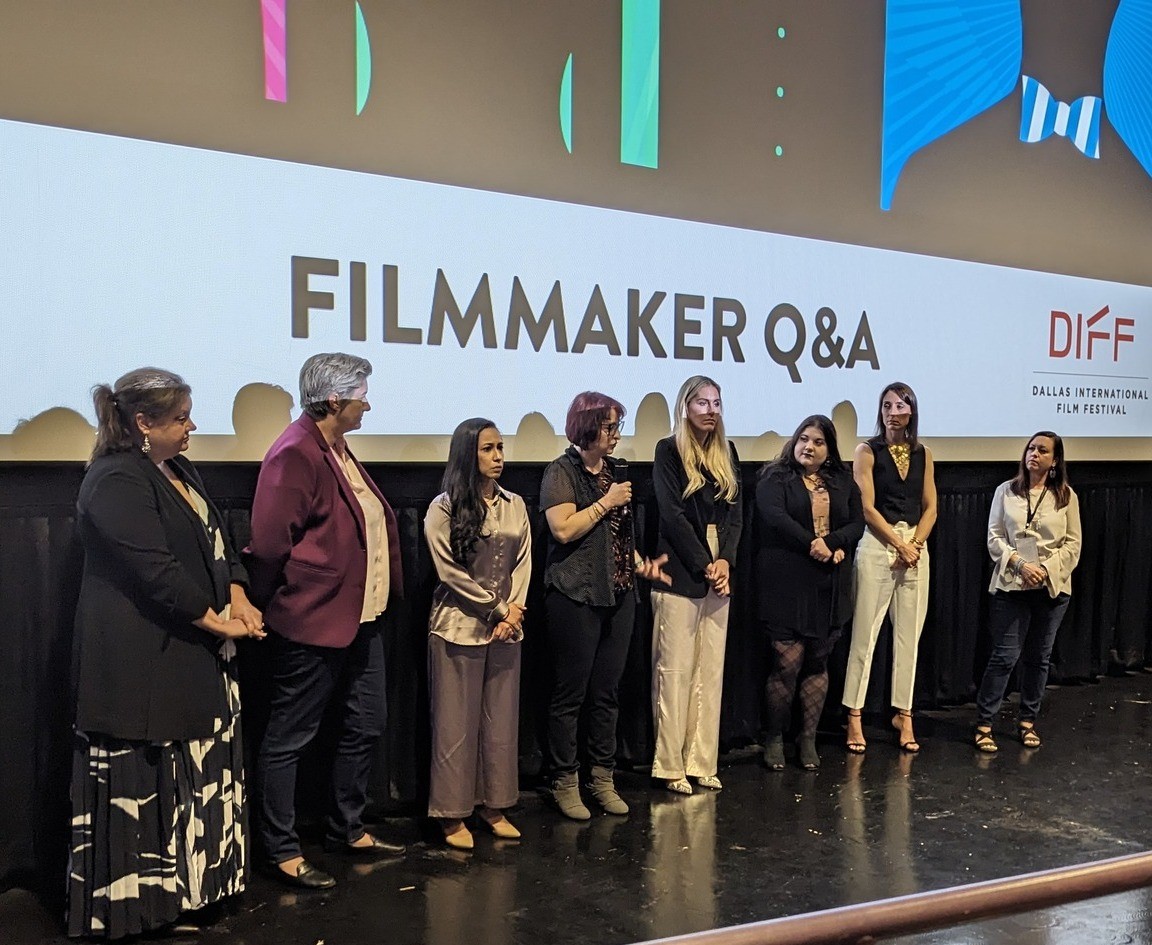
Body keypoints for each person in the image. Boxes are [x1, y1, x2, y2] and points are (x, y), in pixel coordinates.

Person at [69, 368, 264, 939]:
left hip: (194, 657)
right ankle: (146, 909)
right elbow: (156, 572)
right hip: (143, 667)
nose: (192, 426)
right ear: (142, 423)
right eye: (180, 418)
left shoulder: (178, 469)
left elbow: (219, 543)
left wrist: (238, 594)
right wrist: (217, 621)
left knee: (198, 777)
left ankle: (196, 893)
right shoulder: (114, 480)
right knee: (149, 783)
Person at [248, 353, 405, 891]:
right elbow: (270, 544)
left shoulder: (337, 448)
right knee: (289, 737)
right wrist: (277, 602)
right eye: (362, 395)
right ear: (334, 400)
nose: (368, 404)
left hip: (363, 618)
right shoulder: (295, 452)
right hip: (313, 620)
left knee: (367, 722)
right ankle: (281, 850)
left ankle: (347, 828)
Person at [540, 392, 670, 820]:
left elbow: (617, 536)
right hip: (575, 595)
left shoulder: (616, 472)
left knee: (607, 693)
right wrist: (605, 502)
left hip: (619, 593)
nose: (616, 435)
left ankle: (602, 778)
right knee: (570, 695)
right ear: (587, 427)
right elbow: (563, 530)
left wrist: (642, 565)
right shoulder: (562, 471)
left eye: (617, 426)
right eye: (609, 426)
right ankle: (565, 780)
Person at [424, 418, 532, 849]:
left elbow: (523, 561)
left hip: (507, 630)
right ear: (468, 454)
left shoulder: (515, 504)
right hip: (457, 628)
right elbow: (449, 572)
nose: (498, 456)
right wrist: (498, 608)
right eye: (488, 449)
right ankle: (452, 814)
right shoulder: (444, 507)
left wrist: (514, 611)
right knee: (456, 726)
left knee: (500, 722)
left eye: (500, 447)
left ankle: (494, 805)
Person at [649, 376, 743, 794]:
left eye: (716, 403)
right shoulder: (668, 450)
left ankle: (701, 762)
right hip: (682, 567)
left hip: (719, 565)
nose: (710, 410)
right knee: (675, 672)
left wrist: (726, 561)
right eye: (702, 402)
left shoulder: (728, 451)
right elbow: (672, 515)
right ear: (685, 407)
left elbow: (736, 515)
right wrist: (706, 564)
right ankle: (670, 765)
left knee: (711, 670)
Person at [757, 416, 864, 770]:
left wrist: (833, 542)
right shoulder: (775, 477)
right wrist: (815, 545)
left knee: (818, 662)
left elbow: (857, 522)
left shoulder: (842, 480)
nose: (809, 447)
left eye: (818, 442)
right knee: (786, 665)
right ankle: (774, 737)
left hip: (829, 584)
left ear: (829, 449)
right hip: (787, 582)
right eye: (804, 438)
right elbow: (775, 518)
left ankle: (807, 739)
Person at [842, 382, 937, 753]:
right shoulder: (867, 451)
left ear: (911, 411)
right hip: (879, 543)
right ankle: (854, 714)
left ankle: (904, 713)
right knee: (864, 635)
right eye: (886, 405)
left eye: (900, 405)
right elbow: (866, 508)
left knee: (908, 637)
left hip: (915, 545)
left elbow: (930, 507)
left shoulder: (924, 453)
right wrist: (898, 544)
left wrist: (915, 545)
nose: (892, 412)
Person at [973, 432, 1081, 752]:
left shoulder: (1066, 496)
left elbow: (1073, 545)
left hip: (1051, 587)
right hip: (1012, 583)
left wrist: (1044, 569)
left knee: (1039, 658)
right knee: (1005, 656)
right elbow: (994, 537)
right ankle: (984, 723)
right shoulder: (1005, 491)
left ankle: (1027, 721)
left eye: (1042, 450)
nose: (1034, 454)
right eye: (1031, 448)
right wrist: (1020, 564)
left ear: (1055, 460)